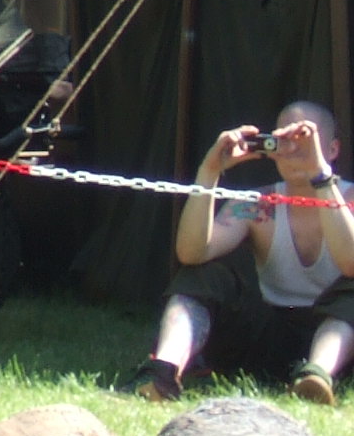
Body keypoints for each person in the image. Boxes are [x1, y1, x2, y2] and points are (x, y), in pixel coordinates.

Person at [128, 104, 354, 404]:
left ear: (333, 148)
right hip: (269, 336)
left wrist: (320, 177)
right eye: (285, 139)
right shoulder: (257, 203)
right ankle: (161, 373)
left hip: (343, 348)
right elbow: (192, 252)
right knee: (204, 274)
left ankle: (316, 378)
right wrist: (209, 173)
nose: (295, 148)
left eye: (305, 137)